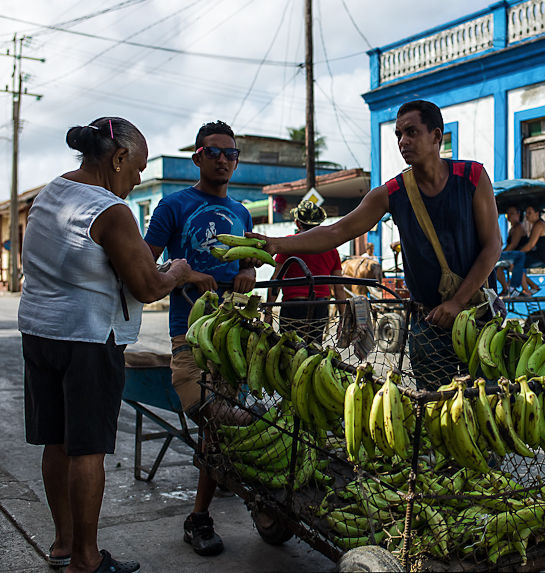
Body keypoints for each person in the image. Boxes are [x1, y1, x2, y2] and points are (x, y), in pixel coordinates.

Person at [18, 117, 193, 573]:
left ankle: (63, 544)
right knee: (88, 449)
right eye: (136, 168)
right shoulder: (110, 211)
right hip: (88, 341)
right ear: (117, 158)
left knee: (55, 442)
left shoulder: (49, 196)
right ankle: (87, 559)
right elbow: (148, 286)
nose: (137, 179)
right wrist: (179, 271)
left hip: (40, 334)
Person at [249, 100, 502, 386]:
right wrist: (276, 244)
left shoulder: (472, 177)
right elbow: (336, 232)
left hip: (479, 316)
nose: (403, 141)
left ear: (436, 136)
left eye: (411, 132)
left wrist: (457, 302)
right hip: (427, 321)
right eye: (398, 134)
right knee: (436, 410)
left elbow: (492, 246)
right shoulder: (392, 192)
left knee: (488, 402)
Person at [144, 120, 256, 557]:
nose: (224, 160)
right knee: (214, 415)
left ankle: (201, 516)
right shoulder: (173, 206)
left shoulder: (243, 212)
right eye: (215, 152)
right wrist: (182, 274)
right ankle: (201, 513)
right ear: (197, 156)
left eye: (231, 153)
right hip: (188, 334)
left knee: (224, 427)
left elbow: (250, 261)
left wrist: (248, 270)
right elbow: (143, 266)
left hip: (236, 335)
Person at [268, 199, 344, 345]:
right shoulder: (332, 249)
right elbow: (339, 287)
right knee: (313, 349)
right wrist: (342, 318)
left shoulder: (288, 244)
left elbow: (276, 279)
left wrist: (268, 312)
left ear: (297, 223)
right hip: (320, 306)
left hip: (293, 305)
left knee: (289, 349)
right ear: (319, 224)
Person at [501, 204, 545, 296]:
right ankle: (529, 286)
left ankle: (519, 289)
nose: (527, 215)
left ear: (537, 213)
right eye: (526, 213)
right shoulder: (536, 225)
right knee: (518, 262)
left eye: (529, 213)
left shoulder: (539, 225)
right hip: (539, 255)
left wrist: (518, 254)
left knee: (518, 262)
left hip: (543, 257)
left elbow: (530, 245)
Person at [495, 205, 528, 295]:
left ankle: (512, 288)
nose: (509, 216)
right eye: (507, 214)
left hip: (518, 256)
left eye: (512, 214)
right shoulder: (512, 229)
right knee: (498, 268)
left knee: (496, 261)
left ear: (518, 214)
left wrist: (500, 254)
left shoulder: (519, 227)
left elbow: (513, 245)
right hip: (513, 256)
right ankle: (506, 288)